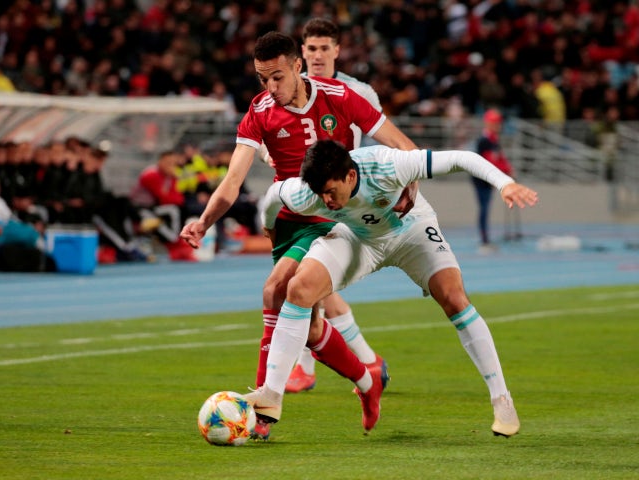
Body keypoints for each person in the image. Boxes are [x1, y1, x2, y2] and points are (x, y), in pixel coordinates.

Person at [180, 31, 418, 439]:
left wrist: (411, 180)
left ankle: (263, 411)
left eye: (277, 77)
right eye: (261, 79)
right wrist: (204, 221)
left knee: (275, 289)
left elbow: (396, 141)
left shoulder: (339, 96)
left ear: (296, 66)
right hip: (289, 220)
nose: (270, 88)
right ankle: (366, 380)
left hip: (335, 214)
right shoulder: (259, 112)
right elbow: (233, 179)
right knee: (308, 328)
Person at [250, 139, 538, 437]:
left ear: (350, 177)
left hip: (411, 231)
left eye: (331, 192)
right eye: (320, 194)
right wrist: (269, 226)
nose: (326, 202)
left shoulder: (386, 165)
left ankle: (502, 399)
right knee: (299, 288)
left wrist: (505, 184)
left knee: (454, 298)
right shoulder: (308, 194)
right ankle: (271, 395)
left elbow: (461, 158)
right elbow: (273, 195)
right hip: (361, 239)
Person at [283, 17, 386, 394]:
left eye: (325, 48)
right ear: (302, 52)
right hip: (304, 196)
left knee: (303, 281)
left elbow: (379, 138)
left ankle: (312, 367)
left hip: (345, 199)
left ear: (337, 51)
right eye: (311, 48)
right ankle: (367, 362)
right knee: (311, 285)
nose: (318, 55)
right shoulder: (289, 90)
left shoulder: (358, 91)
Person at [471, 108, 514, 251]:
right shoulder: (484, 141)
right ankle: (484, 240)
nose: (499, 126)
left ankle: (485, 238)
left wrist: (507, 170)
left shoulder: (493, 140)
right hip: (481, 180)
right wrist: (504, 172)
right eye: (496, 123)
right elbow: (490, 161)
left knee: (485, 208)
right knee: (484, 208)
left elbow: (499, 158)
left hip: (488, 179)